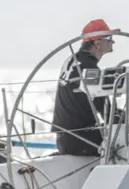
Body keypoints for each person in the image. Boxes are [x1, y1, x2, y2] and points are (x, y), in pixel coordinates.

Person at [51, 18, 118, 157]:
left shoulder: (72, 60)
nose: (113, 41)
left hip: (64, 138)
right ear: (97, 43)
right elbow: (105, 110)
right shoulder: (89, 69)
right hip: (80, 140)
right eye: (109, 38)